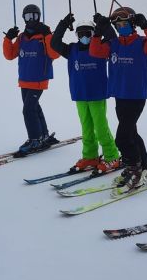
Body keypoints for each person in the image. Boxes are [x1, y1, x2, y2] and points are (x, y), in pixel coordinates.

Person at [89, 6, 147, 192]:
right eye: (117, 25)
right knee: (132, 133)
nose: (121, 27)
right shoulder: (114, 44)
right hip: (119, 95)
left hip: (136, 96)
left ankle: (134, 169)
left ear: (132, 23)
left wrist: (146, 26)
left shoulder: (142, 42)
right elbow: (95, 52)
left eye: (125, 23)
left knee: (122, 137)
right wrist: (97, 32)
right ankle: (143, 166)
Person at [50, 15, 121, 174]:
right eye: (80, 34)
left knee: (101, 128)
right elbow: (54, 43)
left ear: (93, 33)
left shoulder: (100, 48)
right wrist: (63, 24)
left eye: (87, 33)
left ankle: (112, 156)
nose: (84, 37)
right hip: (80, 95)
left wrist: (104, 25)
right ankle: (90, 156)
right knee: (87, 129)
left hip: (97, 95)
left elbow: (113, 39)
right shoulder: (71, 50)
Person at [2, 4, 60, 156]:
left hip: (39, 79)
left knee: (28, 110)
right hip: (24, 79)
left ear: (39, 17)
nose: (31, 19)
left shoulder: (44, 35)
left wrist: (48, 35)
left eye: (34, 16)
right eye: (28, 17)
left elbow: (54, 54)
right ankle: (43, 135)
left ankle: (34, 139)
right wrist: (8, 38)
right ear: (24, 18)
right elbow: (10, 55)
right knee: (34, 108)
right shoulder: (22, 37)